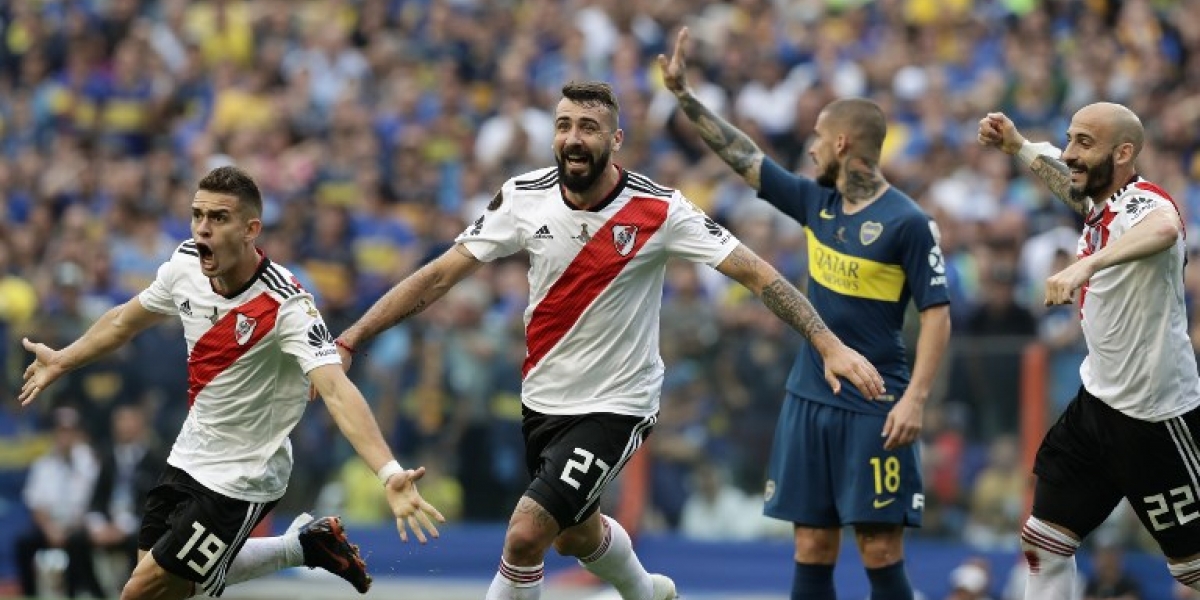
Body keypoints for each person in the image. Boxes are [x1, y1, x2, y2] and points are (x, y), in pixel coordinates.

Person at [333, 80, 885, 600]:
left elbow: (758, 274)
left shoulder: (659, 210)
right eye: (564, 125)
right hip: (543, 401)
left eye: (589, 128)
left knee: (526, 534)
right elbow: (438, 276)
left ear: (614, 140)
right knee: (575, 535)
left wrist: (826, 343)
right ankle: (645, 592)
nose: (573, 138)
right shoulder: (524, 196)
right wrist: (354, 336)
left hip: (618, 405)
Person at [19, 165, 445, 600]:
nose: (203, 229)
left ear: (250, 229)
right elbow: (124, 321)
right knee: (166, 581)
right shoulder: (186, 263)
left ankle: (297, 548)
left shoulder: (286, 304)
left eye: (218, 218)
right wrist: (63, 360)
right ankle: (302, 546)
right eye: (197, 215)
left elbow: (336, 390)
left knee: (139, 592)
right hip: (189, 454)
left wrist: (389, 472)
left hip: (245, 474)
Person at [658, 28, 952, 600]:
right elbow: (745, 157)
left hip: (875, 402)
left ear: (843, 143)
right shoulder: (816, 202)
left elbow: (938, 314)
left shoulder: (907, 222)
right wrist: (685, 96)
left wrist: (915, 398)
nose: (810, 147)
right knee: (812, 547)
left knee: (879, 548)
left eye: (818, 136)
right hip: (808, 397)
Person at [978, 104, 1200, 597]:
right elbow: (1070, 184)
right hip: (1097, 406)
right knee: (1044, 542)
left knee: (1193, 573)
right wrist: (1018, 145)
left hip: (1157, 417)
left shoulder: (1145, 203)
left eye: (1084, 143)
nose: (1070, 153)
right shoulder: (1102, 203)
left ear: (1124, 153)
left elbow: (1164, 228)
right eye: (1070, 139)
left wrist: (1085, 268)